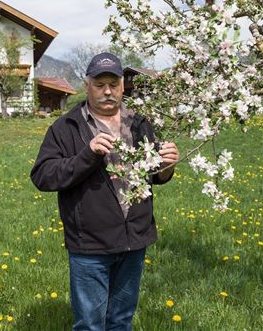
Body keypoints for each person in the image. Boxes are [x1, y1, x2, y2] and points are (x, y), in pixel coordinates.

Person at [30, 52, 179, 331]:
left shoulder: (139, 124)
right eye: (100, 85)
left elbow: (154, 176)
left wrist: (167, 167)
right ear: (87, 86)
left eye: (113, 84)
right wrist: (86, 155)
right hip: (90, 245)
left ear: (123, 85)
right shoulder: (67, 127)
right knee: (90, 324)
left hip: (134, 241)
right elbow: (43, 176)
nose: (107, 91)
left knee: (121, 321)